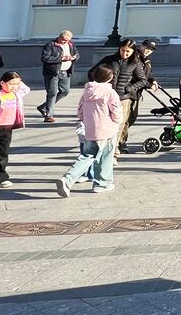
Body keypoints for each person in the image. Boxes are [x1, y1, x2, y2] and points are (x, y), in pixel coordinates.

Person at [57, 65, 122, 196]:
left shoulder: (87, 91)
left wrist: (84, 121)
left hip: (90, 129)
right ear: (109, 78)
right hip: (107, 129)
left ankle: (68, 179)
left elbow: (80, 110)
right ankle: (102, 183)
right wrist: (117, 121)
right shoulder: (110, 92)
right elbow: (116, 111)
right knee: (105, 157)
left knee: (87, 156)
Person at [89, 39, 150, 154]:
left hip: (123, 98)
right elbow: (92, 73)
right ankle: (102, 148)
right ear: (119, 49)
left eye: (128, 51)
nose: (125, 53)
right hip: (107, 97)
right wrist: (101, 85)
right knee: (105, 123)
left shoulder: (135, 63)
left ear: (133, 51)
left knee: (119, 124)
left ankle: (114, 150)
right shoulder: (110, 60)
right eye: (123, 50)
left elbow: (142, 80)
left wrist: (129, 89)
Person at [38, 30, 78, 123]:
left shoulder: (71, 45)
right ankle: (48, 115)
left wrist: (74, 58)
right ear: (59, 37)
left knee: (65, 91)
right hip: (53, 72)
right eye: (63, 40)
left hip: (66, 72)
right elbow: (45, 58)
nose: (65, 42)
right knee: (52, 93)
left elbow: (77, 54)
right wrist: (62, 58)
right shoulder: (51, 45)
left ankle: (44, 107)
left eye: (67, 40)